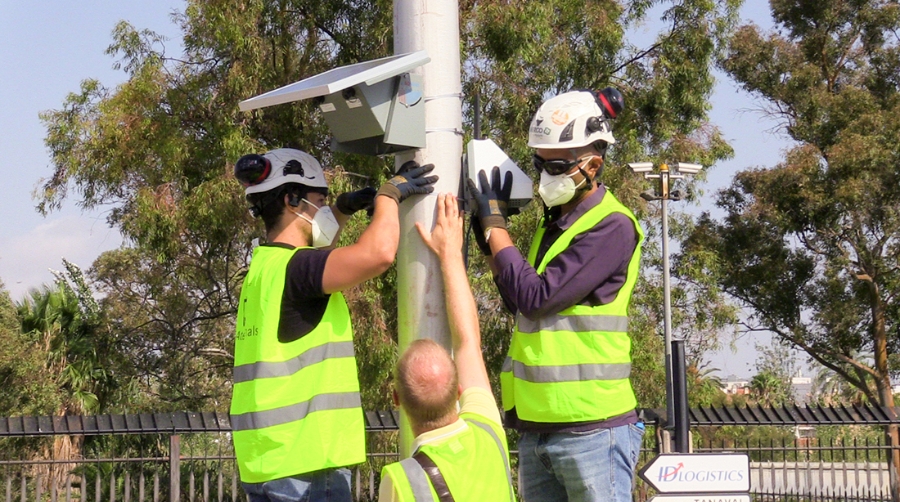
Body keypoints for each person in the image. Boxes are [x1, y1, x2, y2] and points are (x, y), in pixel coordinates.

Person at [229, 148, 438, 502]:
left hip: (266, 462)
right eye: (319, 200)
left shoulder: (263, 269)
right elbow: (379, 255)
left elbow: (315, 256)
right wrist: (389, 197)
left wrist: (340, 210)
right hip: (307, 467)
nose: (324, 210)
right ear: (292, 200)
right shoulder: (299, 270)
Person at [468, 88, 645, 502]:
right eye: (540, 165)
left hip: (593, 429)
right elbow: (521, 304)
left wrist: (497, 228)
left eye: (558, 166)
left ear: (593, 164)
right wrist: (490, 244)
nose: (546, 176)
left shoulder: (612, 226)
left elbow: (537, 297)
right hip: (537, 428)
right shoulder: (555, 227)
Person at [378, 192, 515, 502]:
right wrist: (450, 252)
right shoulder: (488, 433)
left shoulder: (401, 479)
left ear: (397, 398)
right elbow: (468, 342)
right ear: (458, 391)